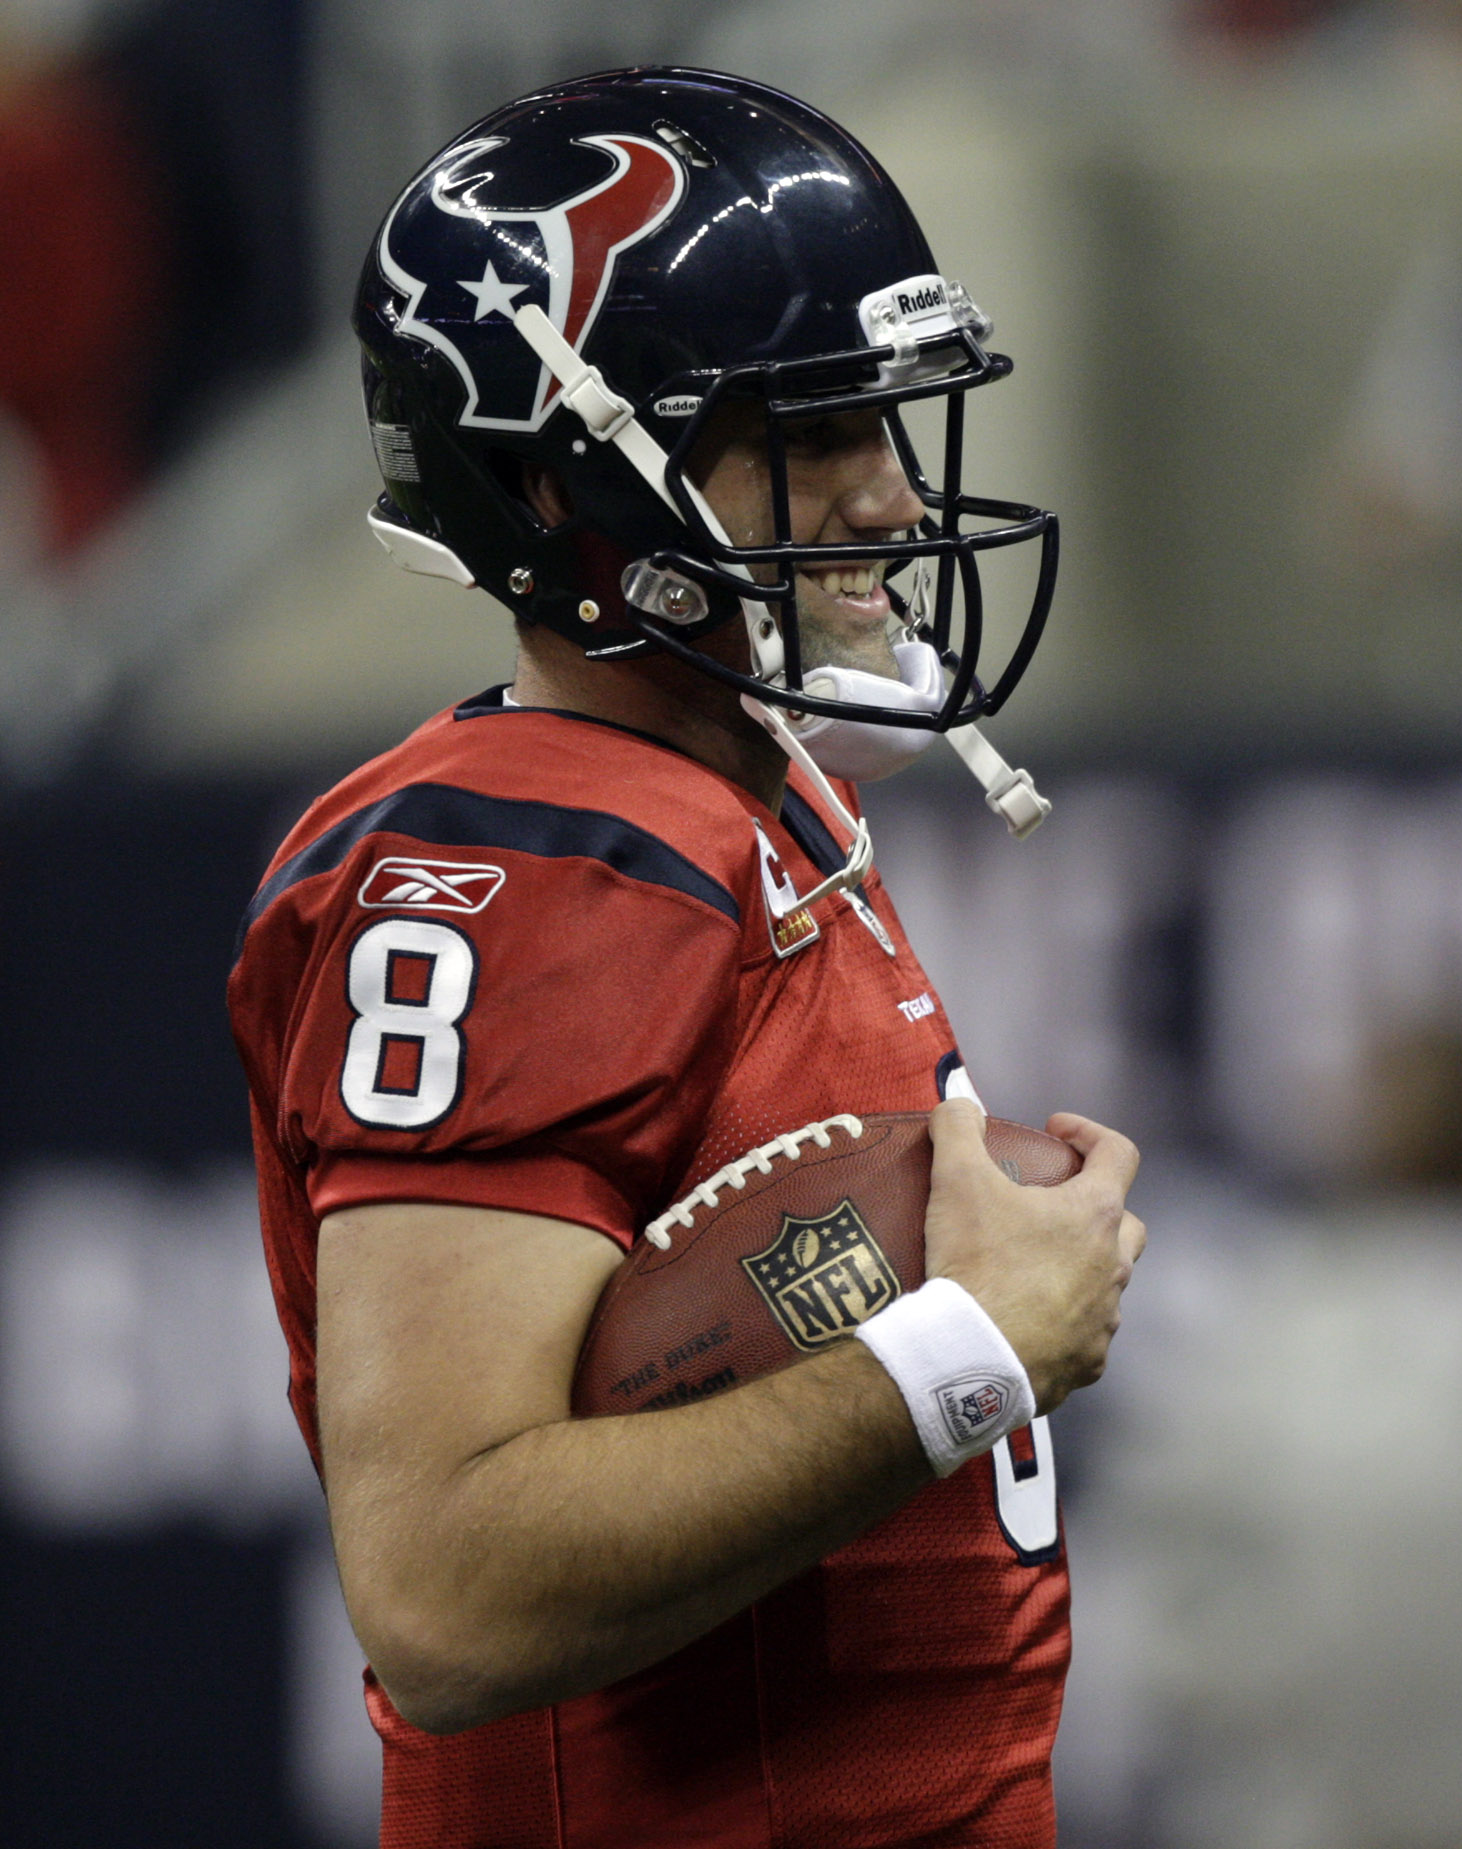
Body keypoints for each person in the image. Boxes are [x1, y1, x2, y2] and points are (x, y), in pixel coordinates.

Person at [228, 69, 1143, 1847]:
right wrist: (964, 1351)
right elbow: (448, 1591)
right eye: (813, 432)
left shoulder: (743, 796)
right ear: (578, 483)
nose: (886, 496)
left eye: (886, 419)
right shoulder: (525, 860)